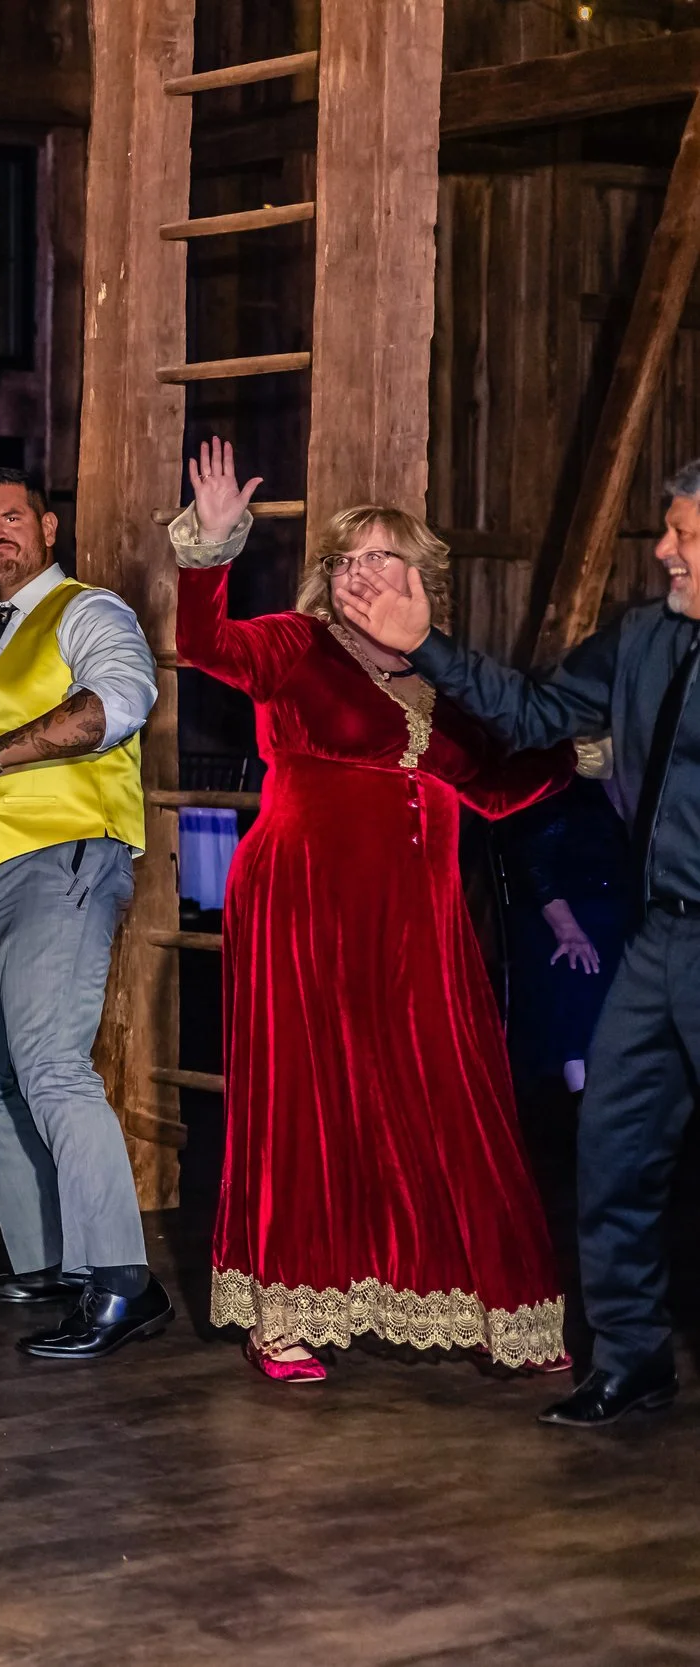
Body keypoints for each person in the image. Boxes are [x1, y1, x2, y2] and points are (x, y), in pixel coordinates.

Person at [173, 439, 571, 1383]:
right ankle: (287, 1314)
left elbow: (496, 787)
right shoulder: (295, 644)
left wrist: (594, 741)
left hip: (421, 923)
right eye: (346, 559)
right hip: (306, 902)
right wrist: (211, 550)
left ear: (418, 573)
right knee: (308, 1100)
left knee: (447, 1098)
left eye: (380, 556)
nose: (360, 571)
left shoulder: (441, 677)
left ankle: (485, 1305)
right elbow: (206, 646)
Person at [338, 454, 700, 1428]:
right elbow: (535, 714)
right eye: (665, 530)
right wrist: (425, 647)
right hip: (662, 936)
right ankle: (632, 1359)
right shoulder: (643, 638)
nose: (661, 550)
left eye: (682, 535)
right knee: (611, 1147)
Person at [0, 465, 164, 1358]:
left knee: (53, 1067)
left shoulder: (89, 613)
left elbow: (121, 706)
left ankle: (122, 1281)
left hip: (65, 856)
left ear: (47, 528)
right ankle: (54, 1255)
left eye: (10, 519)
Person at [502, 759, 628, 1094]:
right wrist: (568, 930)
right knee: (578, 965)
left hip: (622, 910)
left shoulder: (644, 780)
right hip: (561, 912)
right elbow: (532, 861)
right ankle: (582, 1095)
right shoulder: (562, 781)